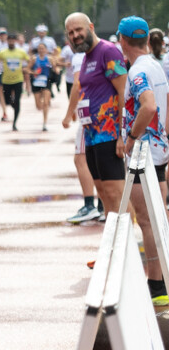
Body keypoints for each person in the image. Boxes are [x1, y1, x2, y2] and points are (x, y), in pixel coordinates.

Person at [114, 16, 169, 306]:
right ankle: (160, 281)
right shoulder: (155, 65)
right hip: (157, 151)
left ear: (122, 41)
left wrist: (131, 137)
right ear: (147, 39)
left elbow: (148, 106)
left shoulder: (137, 71)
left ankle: (157, 285)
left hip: (143, 155)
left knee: (147, 220)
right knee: (158, 218)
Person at [62, 12, 127, 216]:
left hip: (109, 135)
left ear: (90, 27)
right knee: (103, 194)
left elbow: (124, 92)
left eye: (78, 30)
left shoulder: (108, 51)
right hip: (91, 136)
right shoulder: (86, 56)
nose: (75, 35)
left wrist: (122, 134)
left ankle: (128, 234)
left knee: (115, 194)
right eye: (70, 32)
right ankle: (111, 234)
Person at [62, 45, 101, 224]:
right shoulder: (100, 53)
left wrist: (69, 113)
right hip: (101, 110)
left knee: (81, 159)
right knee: (96, 157)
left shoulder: (80, 57)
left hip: (90, 114)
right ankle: (101, 206)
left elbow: (77, 85)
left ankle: (90, 205)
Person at [0, 33, 29, 132]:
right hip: (6, 80)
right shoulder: (3, 52)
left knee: (17, 101)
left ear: (15, 41)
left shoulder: (21, 52)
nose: (11, 42)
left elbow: (29, 60)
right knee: (7, 101)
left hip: (18, 80)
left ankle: (14, 123)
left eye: (13, 40)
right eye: (9, 40)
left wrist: (27, 68)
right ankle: (15, 106)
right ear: (7, 41)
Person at [28, 43, 54, 131]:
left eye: (43, 48)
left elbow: (55, 67)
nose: (41, 50)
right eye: (39, 48)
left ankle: (45, 123)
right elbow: (27, 69)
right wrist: (33, 72)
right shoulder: (34, 59)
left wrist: (56, 69)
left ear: (46, 50)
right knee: (38, 106)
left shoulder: (49, 58)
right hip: (36, 83)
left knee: (46, 103)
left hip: (46, 82)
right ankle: (44, 108)